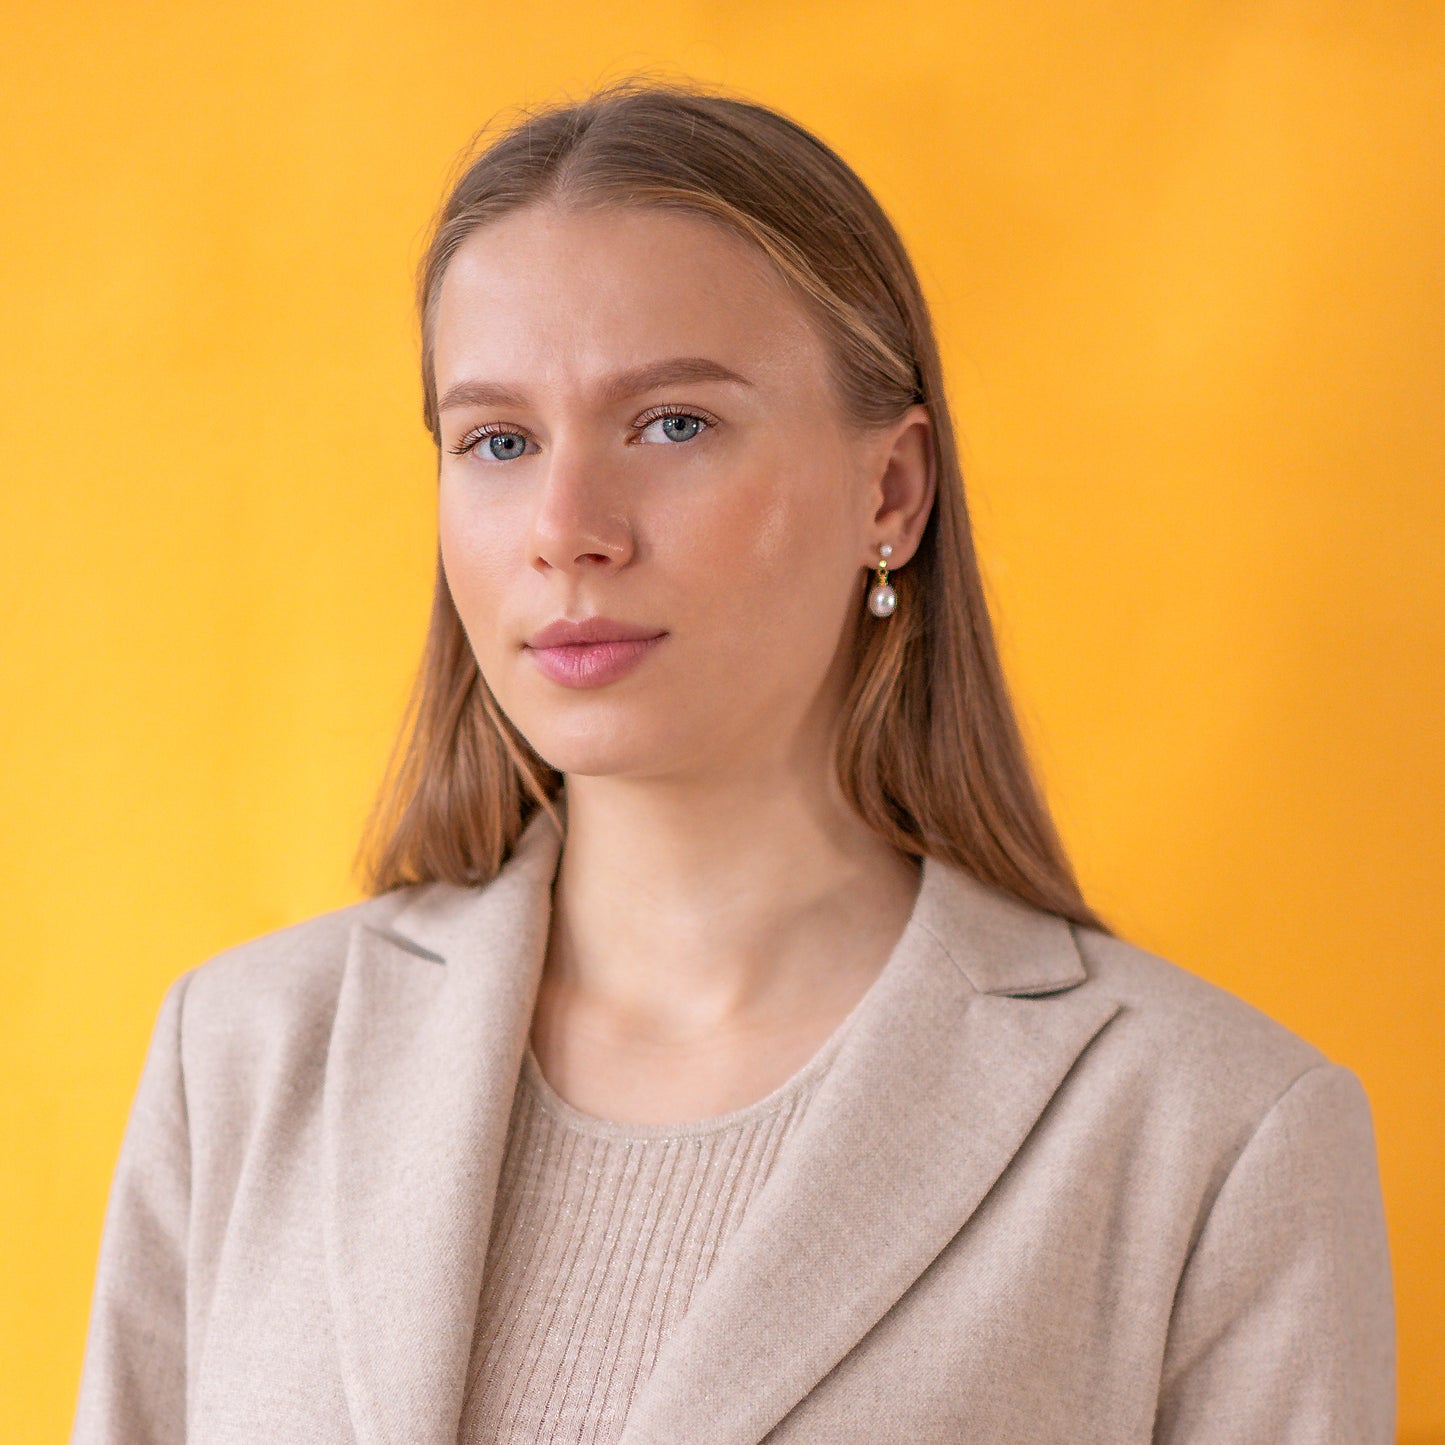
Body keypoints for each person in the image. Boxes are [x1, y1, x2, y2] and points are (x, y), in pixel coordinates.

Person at [71, 79, 1395, 1444]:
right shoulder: (236, 1058)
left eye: (671, 424)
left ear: (890, 492)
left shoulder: (1219, 1138)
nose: (566, 527)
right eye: (499, 441)